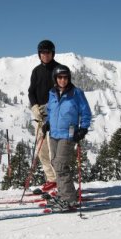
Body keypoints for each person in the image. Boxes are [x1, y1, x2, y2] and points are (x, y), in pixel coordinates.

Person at [42, 64, 92, 211]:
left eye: (65, 77)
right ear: (55, 79)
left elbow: (86, 113)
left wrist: (83, 129)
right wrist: (47, 124)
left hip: (68, 135)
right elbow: (51, 111)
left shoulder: (76, 93)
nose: (63, 80)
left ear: (69, 78)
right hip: (54, 134)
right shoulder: (52, 93)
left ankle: (69, 199)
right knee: (55, 162)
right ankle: (63, 194)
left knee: (61, 165)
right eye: (60, 77)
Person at [28, 40, 60, 192]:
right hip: (40, 114)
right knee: (42, 149)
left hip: (56, 114)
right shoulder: (36, 71)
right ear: (39, 54)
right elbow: (31, 91)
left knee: (55, 149)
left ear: (52, 53)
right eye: (42, 52)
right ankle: (51, 179)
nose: (45, 55)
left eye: (48, 52)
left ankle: (60, 181)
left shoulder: (59, 70)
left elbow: (64, 92)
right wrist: (34, 106)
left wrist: (52, 107)